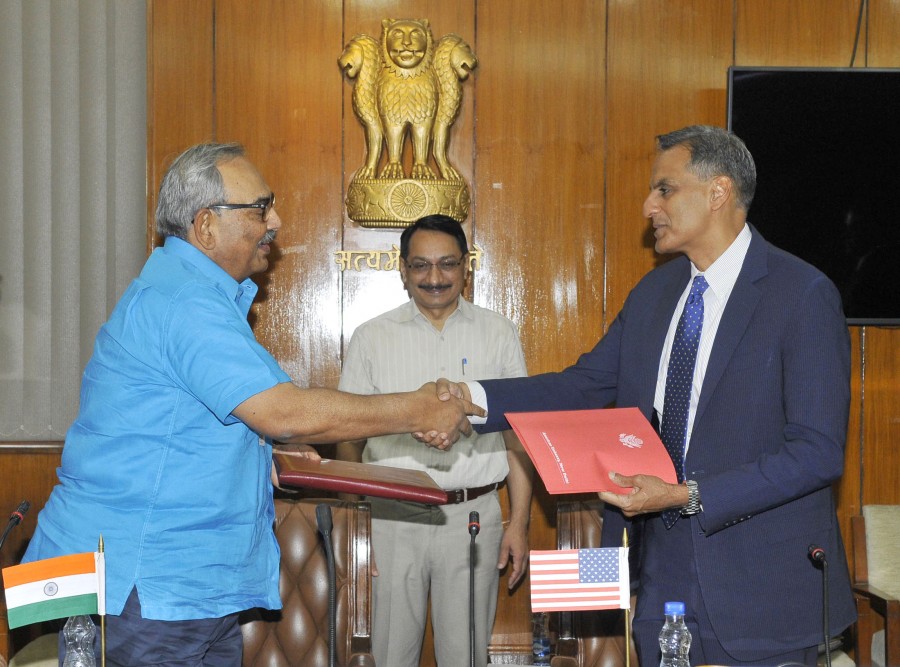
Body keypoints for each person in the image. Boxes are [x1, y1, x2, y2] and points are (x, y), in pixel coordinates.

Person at [22, 143, 482, 666]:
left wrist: (263, 456)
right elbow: (284, 412)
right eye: (260, 208)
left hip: (182, 585)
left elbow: (184, 425)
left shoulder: (195, 294)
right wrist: (418, 409)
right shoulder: (184, 302)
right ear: (206, 225)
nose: (275, 222)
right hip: (147, 583)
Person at [430, 126, 856, 666]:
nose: (648, 206)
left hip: (761, 590)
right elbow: (582, 386)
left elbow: (817, 452)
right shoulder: (655, 293)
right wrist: (471, 398)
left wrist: (685, 495)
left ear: (718, 192)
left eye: (665, 189)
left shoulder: (802, 294)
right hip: (659, 575)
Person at [336, 215, 533, 667]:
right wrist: (357, 522)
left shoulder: (498, 332)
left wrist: (519, 523)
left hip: (473, 517)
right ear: (403, 270)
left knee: (466, 657)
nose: (435, 277)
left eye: (447, 263)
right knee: (390, 655)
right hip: (391, 519)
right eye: (421, 265)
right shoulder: (371, 337)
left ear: (466, 266)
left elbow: (517, 435)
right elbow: (347, 437)